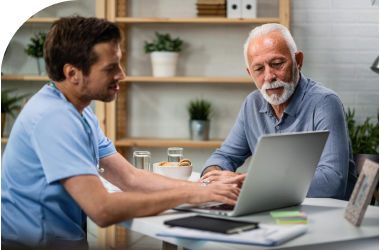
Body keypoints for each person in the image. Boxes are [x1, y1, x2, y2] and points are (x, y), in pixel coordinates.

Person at [0, 16, 245, 249]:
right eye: (110, 67)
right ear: (72, 73)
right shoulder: (54, 118)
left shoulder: (79, 112)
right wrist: (188, 193)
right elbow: (102, 209)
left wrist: (202, 188)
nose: (121, 74)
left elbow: (129, 177)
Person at [200, 23, 357, 201]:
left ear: (298, 61)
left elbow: (332, 181)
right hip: (277, 210)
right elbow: (224, 156)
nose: (269, 77)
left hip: (329, 215)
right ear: (250, 73)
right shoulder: (252, 104)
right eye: (259, 69)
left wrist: (247, 182)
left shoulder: (325, 103)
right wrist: (214, 176)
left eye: (277, 64)